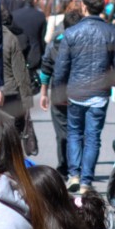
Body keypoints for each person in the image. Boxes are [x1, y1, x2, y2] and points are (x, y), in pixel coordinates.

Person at [52, 0, 115, 194]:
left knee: (74, 134)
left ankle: (74, 175)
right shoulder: (112, 33)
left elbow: (61, 68)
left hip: (76, 91)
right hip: (99, 93)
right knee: (93, 137)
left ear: (84, 7)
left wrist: (57, 92)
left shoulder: (71, 33)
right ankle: (86, 181)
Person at [38, 10, 83, 177]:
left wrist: (43, 93)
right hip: (80, 94)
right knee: (79, 131)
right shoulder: (86, 44)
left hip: (59, 94)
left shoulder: (55, 42)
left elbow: (46, 68)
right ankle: (78, 168)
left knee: (62, 133)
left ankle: (64, 167)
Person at [0, 8, 35, 154]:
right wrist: (27, 102)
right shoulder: (10, 38)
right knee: (11, 133)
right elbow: (20, 71)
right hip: (10, 92)